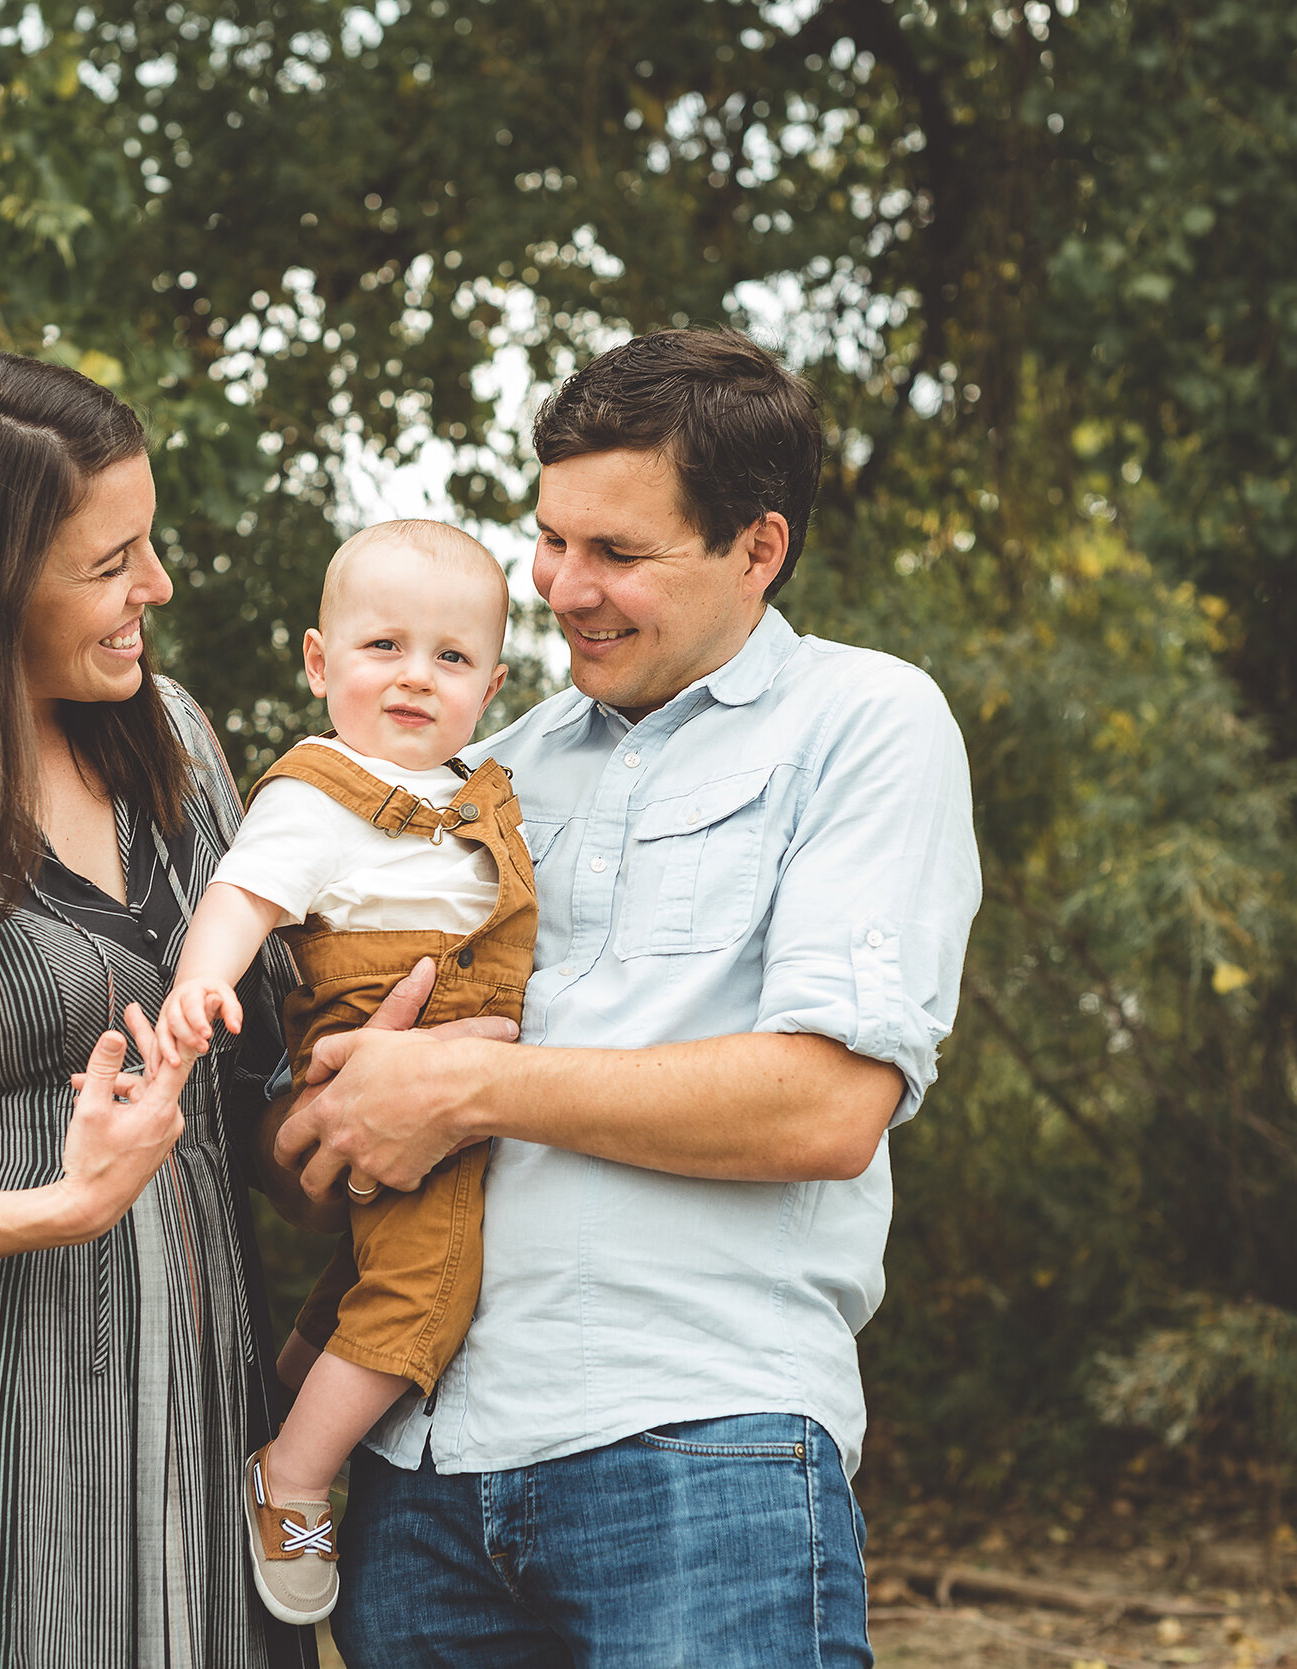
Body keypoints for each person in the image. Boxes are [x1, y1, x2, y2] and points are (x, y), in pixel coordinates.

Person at [0, 350, 512, 1668]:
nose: (156, 588)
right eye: (108, 561)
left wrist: (365, 1095)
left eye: (150, 542)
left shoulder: (173, 744)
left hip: (191, 1468)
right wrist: (57, 1208)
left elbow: (254, 1115)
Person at [276, 330, 983, 1667]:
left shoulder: (865, 724)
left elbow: (828, 1105)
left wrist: (464, 1087)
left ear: (757, 550)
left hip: (701, 1450)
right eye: (550, 541)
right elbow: (341, 1112)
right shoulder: (489, 764)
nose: (560, 588)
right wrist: (324, 1117)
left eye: (618, 554)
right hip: (421, 1471)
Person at [152, 520, 534, 1627]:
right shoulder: (315, 794)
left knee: (372, 1277)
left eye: (452, 658)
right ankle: (298, 1478)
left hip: (463, 1079)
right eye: (383, 647)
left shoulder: (483, 789)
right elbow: (243, 896)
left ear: (491, 683)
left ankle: (272, 1404)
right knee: (424, 1292)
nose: (416, 675)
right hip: (375, 1041)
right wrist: (201, 984)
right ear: (320, 664)